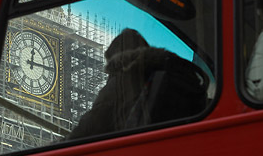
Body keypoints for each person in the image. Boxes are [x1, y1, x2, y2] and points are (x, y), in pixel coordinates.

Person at [68, 28, 207, 140]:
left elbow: (91, 126)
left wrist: (61, 144)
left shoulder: (123, 80)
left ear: (115, 57)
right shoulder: (161, 74)